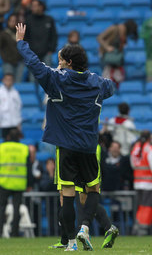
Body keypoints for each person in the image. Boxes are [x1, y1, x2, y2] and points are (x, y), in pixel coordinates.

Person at [16, 23, 115, 251]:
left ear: (69, 63)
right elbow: (111, 87)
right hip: (89, 146)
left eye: (61, 59)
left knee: (67, 194)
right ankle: (84, 228)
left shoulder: (57, 80)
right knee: (93, 190)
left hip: (66, 146)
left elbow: (34, 64)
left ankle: (71, 243)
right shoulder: (97, 83)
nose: (58, 63)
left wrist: (21, 43)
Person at [50, 144, 119, 249]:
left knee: (73, 195)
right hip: (82, 146)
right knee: (82, 199)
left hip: (80, 148)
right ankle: (107, 228)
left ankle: (74, 238)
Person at [130, 131, 152, 236]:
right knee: (147, 207)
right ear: (149, 138)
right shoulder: (149, 149)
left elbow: (133, 165)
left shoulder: (136, 148)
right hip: (149, 185)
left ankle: (137, 226)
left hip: (138, 184)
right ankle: (143, 229)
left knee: (141, 207)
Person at [0, 129, 31, 237]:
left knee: (1, 208)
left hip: (4, 182)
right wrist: (29, 184)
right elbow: (29, 168)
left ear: (8, 137)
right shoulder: (24, 149)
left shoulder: (2, 147)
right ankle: (14, 233)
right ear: (19, 137)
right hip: (19, 184)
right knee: (16, 209)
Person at [97, 20, 138, 86]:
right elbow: (99, 38)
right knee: (107, 76)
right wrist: (107, 47)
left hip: (116, 57)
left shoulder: (124, 34)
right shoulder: (113, 28)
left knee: (118, 78)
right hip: (107, 56)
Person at [25, 0, 57, 81]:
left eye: (35, 6)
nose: (32, 8)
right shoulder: (28, 20)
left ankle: (46, 93)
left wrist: (51, 49)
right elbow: (25, 37)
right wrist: (29, 50)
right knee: (33, 78)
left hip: (46, 52)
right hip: (33, 54)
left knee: (47, 76)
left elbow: (54, 36)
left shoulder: (49, 19)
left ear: (41, 7)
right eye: (32, 6)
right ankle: (32, 93)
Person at [0, 14, 25, 82]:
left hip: (20, 62)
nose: (13, 22)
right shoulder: (3, 34)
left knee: (18, 83)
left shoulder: (21, 33)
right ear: (7, 22)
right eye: (11, 21)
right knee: (8, 82)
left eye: (14, 21)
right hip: (7, 62)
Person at [0, 74, 22, 139]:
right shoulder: (0, 92)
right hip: (3, 124)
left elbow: (18, 108)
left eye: (10, 80)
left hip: (14, 123)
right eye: (7, 80)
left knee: (15, 143)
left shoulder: (15, 93)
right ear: (3, 80)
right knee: (5, 144)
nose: (8, 82)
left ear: (13, 81)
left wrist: (19, 123)